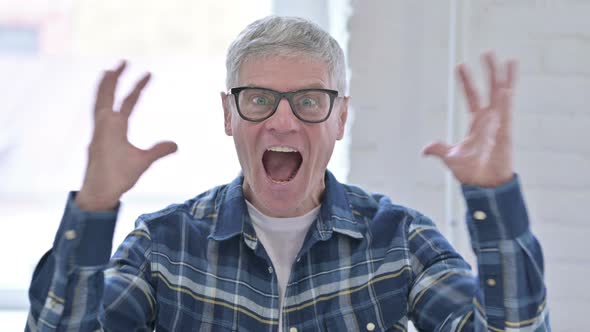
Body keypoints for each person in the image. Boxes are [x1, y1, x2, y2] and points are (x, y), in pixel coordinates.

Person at [26, 16, 550, 331]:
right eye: (258, 99)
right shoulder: (163, 246)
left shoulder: (400, 241)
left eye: (308, 100)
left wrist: (494, 200)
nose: (282, 120)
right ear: (229, 115)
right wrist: (93, 209)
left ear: (341, 117)